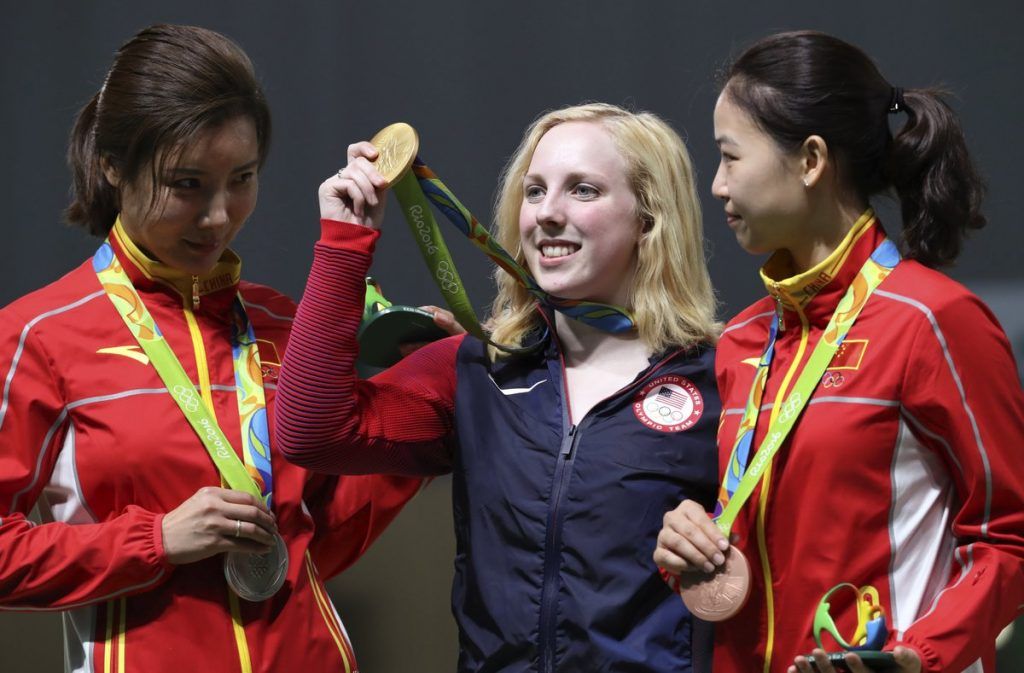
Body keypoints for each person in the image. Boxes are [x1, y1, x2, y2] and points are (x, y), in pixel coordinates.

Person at [0, 24, 449, 672]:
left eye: (240, 178)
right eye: (186, 184)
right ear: (111, 166)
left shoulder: (279, 323)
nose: (217, 214)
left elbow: (319, 534)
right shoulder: (39, 335)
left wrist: (425, 395)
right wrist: (154, 540)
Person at [274, 103, 722, 671]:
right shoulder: (475, 370)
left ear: (650, 218)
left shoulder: (722, 377)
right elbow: (312, 432)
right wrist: (345, 242)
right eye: (534, 192)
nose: (547, 214)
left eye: (583, 190)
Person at [653, 30, 1024, 673]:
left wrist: (922, 656)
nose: (716, 186)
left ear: (811, 159)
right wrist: (691, 542)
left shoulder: (934, 321)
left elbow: (1009, 536)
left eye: (730, 157)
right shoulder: (740, 342)